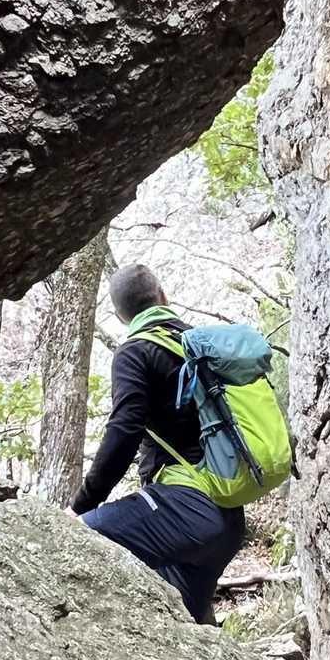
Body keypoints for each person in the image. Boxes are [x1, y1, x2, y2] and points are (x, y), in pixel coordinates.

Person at [70, 263, 245, 624]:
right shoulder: (200, 344)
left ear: (120, 316)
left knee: (75, 537)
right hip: (228, 521)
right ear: (163, 295)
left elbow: (124, 430)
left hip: (185, 508)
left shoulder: (135, 351)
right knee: (191, 627)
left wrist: (82, 504)